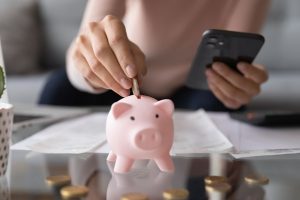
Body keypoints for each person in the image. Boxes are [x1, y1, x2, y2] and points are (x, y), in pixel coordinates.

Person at [39, 0, 270, 111]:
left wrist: (236, 83)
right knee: (59, 87)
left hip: (193, 89)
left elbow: (234, 53)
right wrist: (89, 71)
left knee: (220, 103)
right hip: (123, 82)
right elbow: (83, 50)